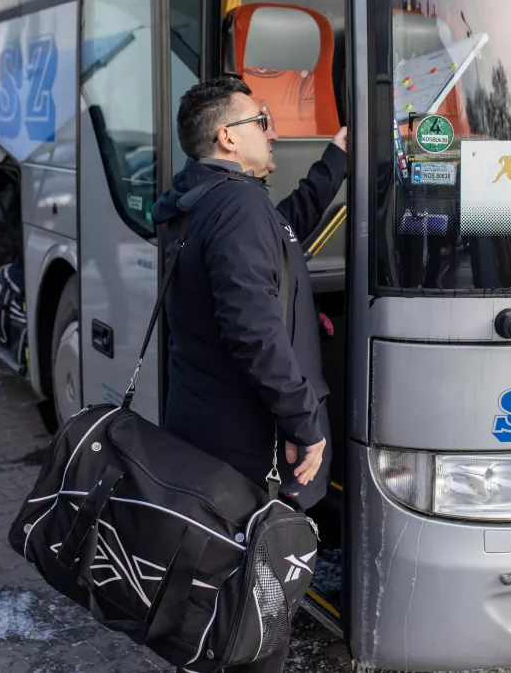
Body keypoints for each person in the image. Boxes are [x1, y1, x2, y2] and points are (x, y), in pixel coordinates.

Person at [152, 77, 346, 672]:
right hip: (247, 449)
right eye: (262, 121)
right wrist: (302, 422)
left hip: (206, 430)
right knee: (256, 614)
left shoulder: (201, 200)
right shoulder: (237, 206)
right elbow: (252, 331)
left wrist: (336, 160)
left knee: (216, 593)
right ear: (228, 137)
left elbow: (283, 233)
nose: (274, 131)